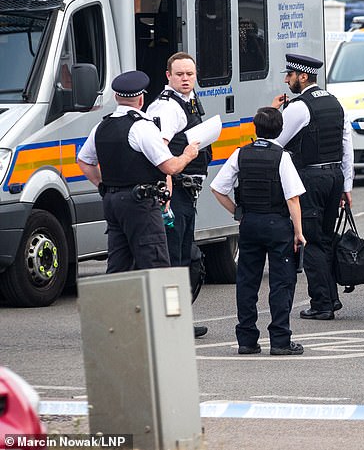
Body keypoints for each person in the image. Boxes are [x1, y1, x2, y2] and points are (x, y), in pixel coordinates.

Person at [76, 71, 200, 273]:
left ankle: (121, 305)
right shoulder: (142, 127)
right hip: (140, 204)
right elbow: (169, 167)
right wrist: (188, 155)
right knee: (155, 265)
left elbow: (84, 161)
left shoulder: (101, 126)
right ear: (141, 99)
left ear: (116, 98)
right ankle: (159, 306)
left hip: (112, 202)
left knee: (119, 267)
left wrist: (103, 185)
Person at [210, 107, 307, 356]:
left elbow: (218, 188)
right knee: (281, 282)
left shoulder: (240, 154)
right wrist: (299, 232)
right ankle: (280, 340)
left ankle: (246, 339)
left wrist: (238, 213)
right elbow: (293, 199)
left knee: (247, 282)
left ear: (255, 128)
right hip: (277, 224)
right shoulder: (281, 157)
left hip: (250, 224)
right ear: (280, 129)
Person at [271, 53, 354, 321]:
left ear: (303, 76)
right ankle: (331, 297)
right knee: (325, 238)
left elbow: (275, 141)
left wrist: (273, 112)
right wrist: (347, 185)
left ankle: (322, 304)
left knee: (312, 240)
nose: (287, 80)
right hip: (334, 177)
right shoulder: (334, 103)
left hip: (310, 178)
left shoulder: (298, 107)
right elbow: (346, 147)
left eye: (290, 75)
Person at [145, 52, 213, 338]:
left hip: (187, 191)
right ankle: (170, 324)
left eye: (190, 74)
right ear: (168, 76)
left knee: (184, 257)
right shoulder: (167, 108)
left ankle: (178, 320)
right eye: (180, 74)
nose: (186, 79)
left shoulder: (188, 100)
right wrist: (167, 192)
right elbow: (157, 152)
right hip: (176, 192)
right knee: (173, 261)